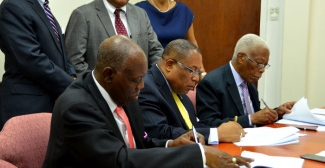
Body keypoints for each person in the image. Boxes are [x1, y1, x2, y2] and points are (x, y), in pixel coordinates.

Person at [43, 35, 252, 168]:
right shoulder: (77, 107)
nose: (142, 86)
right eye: (136, 80)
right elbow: (119, 160)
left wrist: (172, 144)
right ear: (108, 75)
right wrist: (198, 157)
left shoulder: (125, 93)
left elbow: (141, 144)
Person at [0, 0, 76, 129]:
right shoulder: (13, 6)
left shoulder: (42, 6)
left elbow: (60, 50)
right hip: (27, 107)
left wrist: (72, 73)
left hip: (50, 102)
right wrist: (72, 85)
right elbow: (32, 60)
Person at [139, 39, 244, 144]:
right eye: (192, 70)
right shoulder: (147, 88)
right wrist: (215, 134)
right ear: (169, 65)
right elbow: (160, 133)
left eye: (198, 72)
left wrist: (223, 127)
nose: (196, 78)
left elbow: (192, 126)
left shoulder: (179, 89)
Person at [65, 0, 163, 74]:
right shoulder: (83, 15)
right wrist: (98, 85)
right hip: (99, 89)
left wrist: (150, 81)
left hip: (140, 87)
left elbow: (156, 52)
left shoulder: (140, 14)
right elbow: (74, 62)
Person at [196, 33, 295, 128]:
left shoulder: (250, 83)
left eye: (265, 65)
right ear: (241, 58)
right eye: (259, 63)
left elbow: (255, 116)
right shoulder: (211, 83)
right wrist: (250, 119)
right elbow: (208, 124)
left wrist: (277, 113)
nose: (262, 70)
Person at [135, 0, 204, 69]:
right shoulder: (139, 10)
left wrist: (200, 70)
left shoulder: (183, 10)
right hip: (149, 71)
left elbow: (192, 44)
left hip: (180, 71)